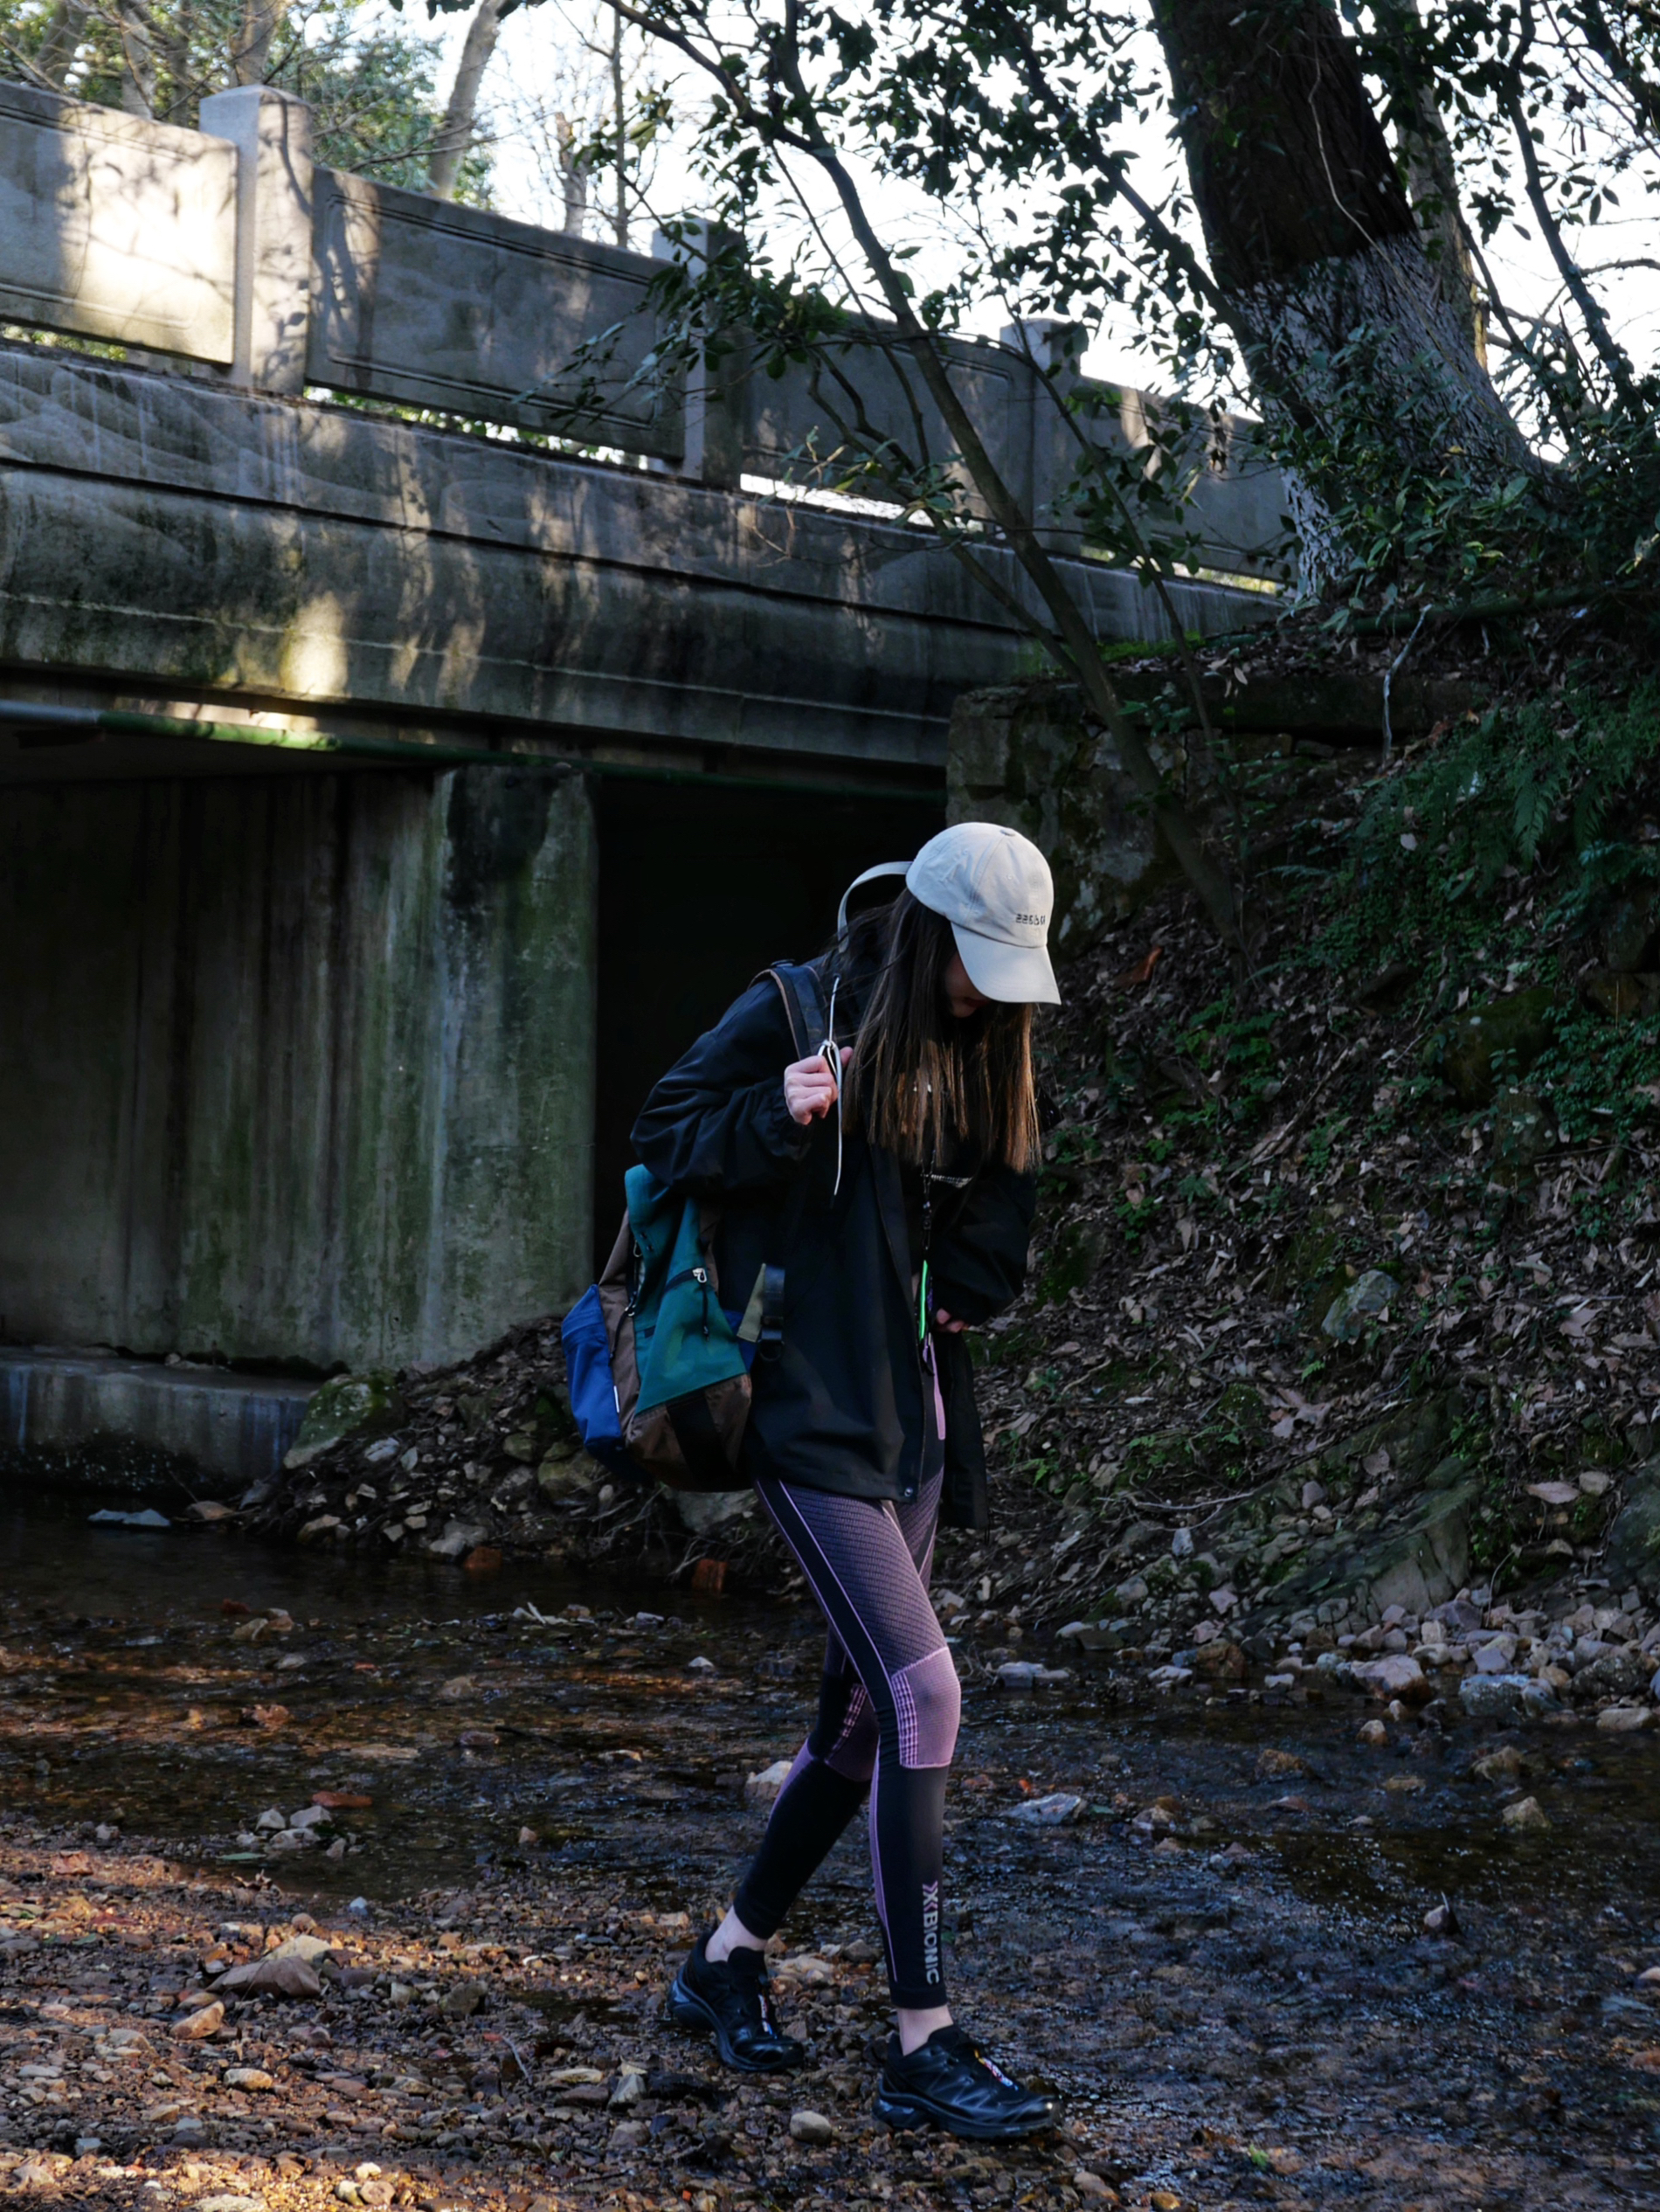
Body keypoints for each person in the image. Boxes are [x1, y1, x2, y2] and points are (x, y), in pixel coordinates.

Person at [630, 821, 1062, 2142]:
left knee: (865, 1723)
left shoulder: (992, 1038)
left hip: (912, 1419)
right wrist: (782, 1112)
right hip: (802, 1411)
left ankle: (724, 1963)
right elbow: (664, 1134)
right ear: (929, 934)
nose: (990, 994)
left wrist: (977, 1264)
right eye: (978, 964)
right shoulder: (795, 1007)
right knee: (927, 1693)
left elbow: (1004, 1207)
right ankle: (922, 2042)